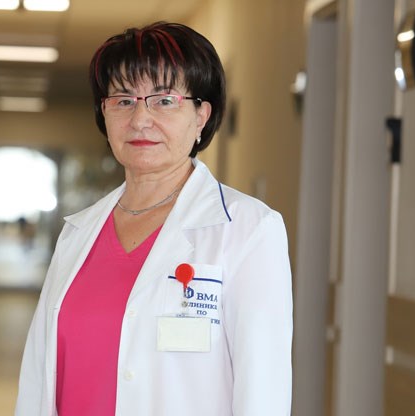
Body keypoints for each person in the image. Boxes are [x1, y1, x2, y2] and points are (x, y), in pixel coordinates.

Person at [15, 21, 292, 415]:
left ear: (201, 115)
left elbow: (263, 392)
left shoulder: (248, 230)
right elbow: (38, 378)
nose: (140, 119)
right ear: (104, 113)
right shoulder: (78, 233)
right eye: (123, 100)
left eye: (164, 100)